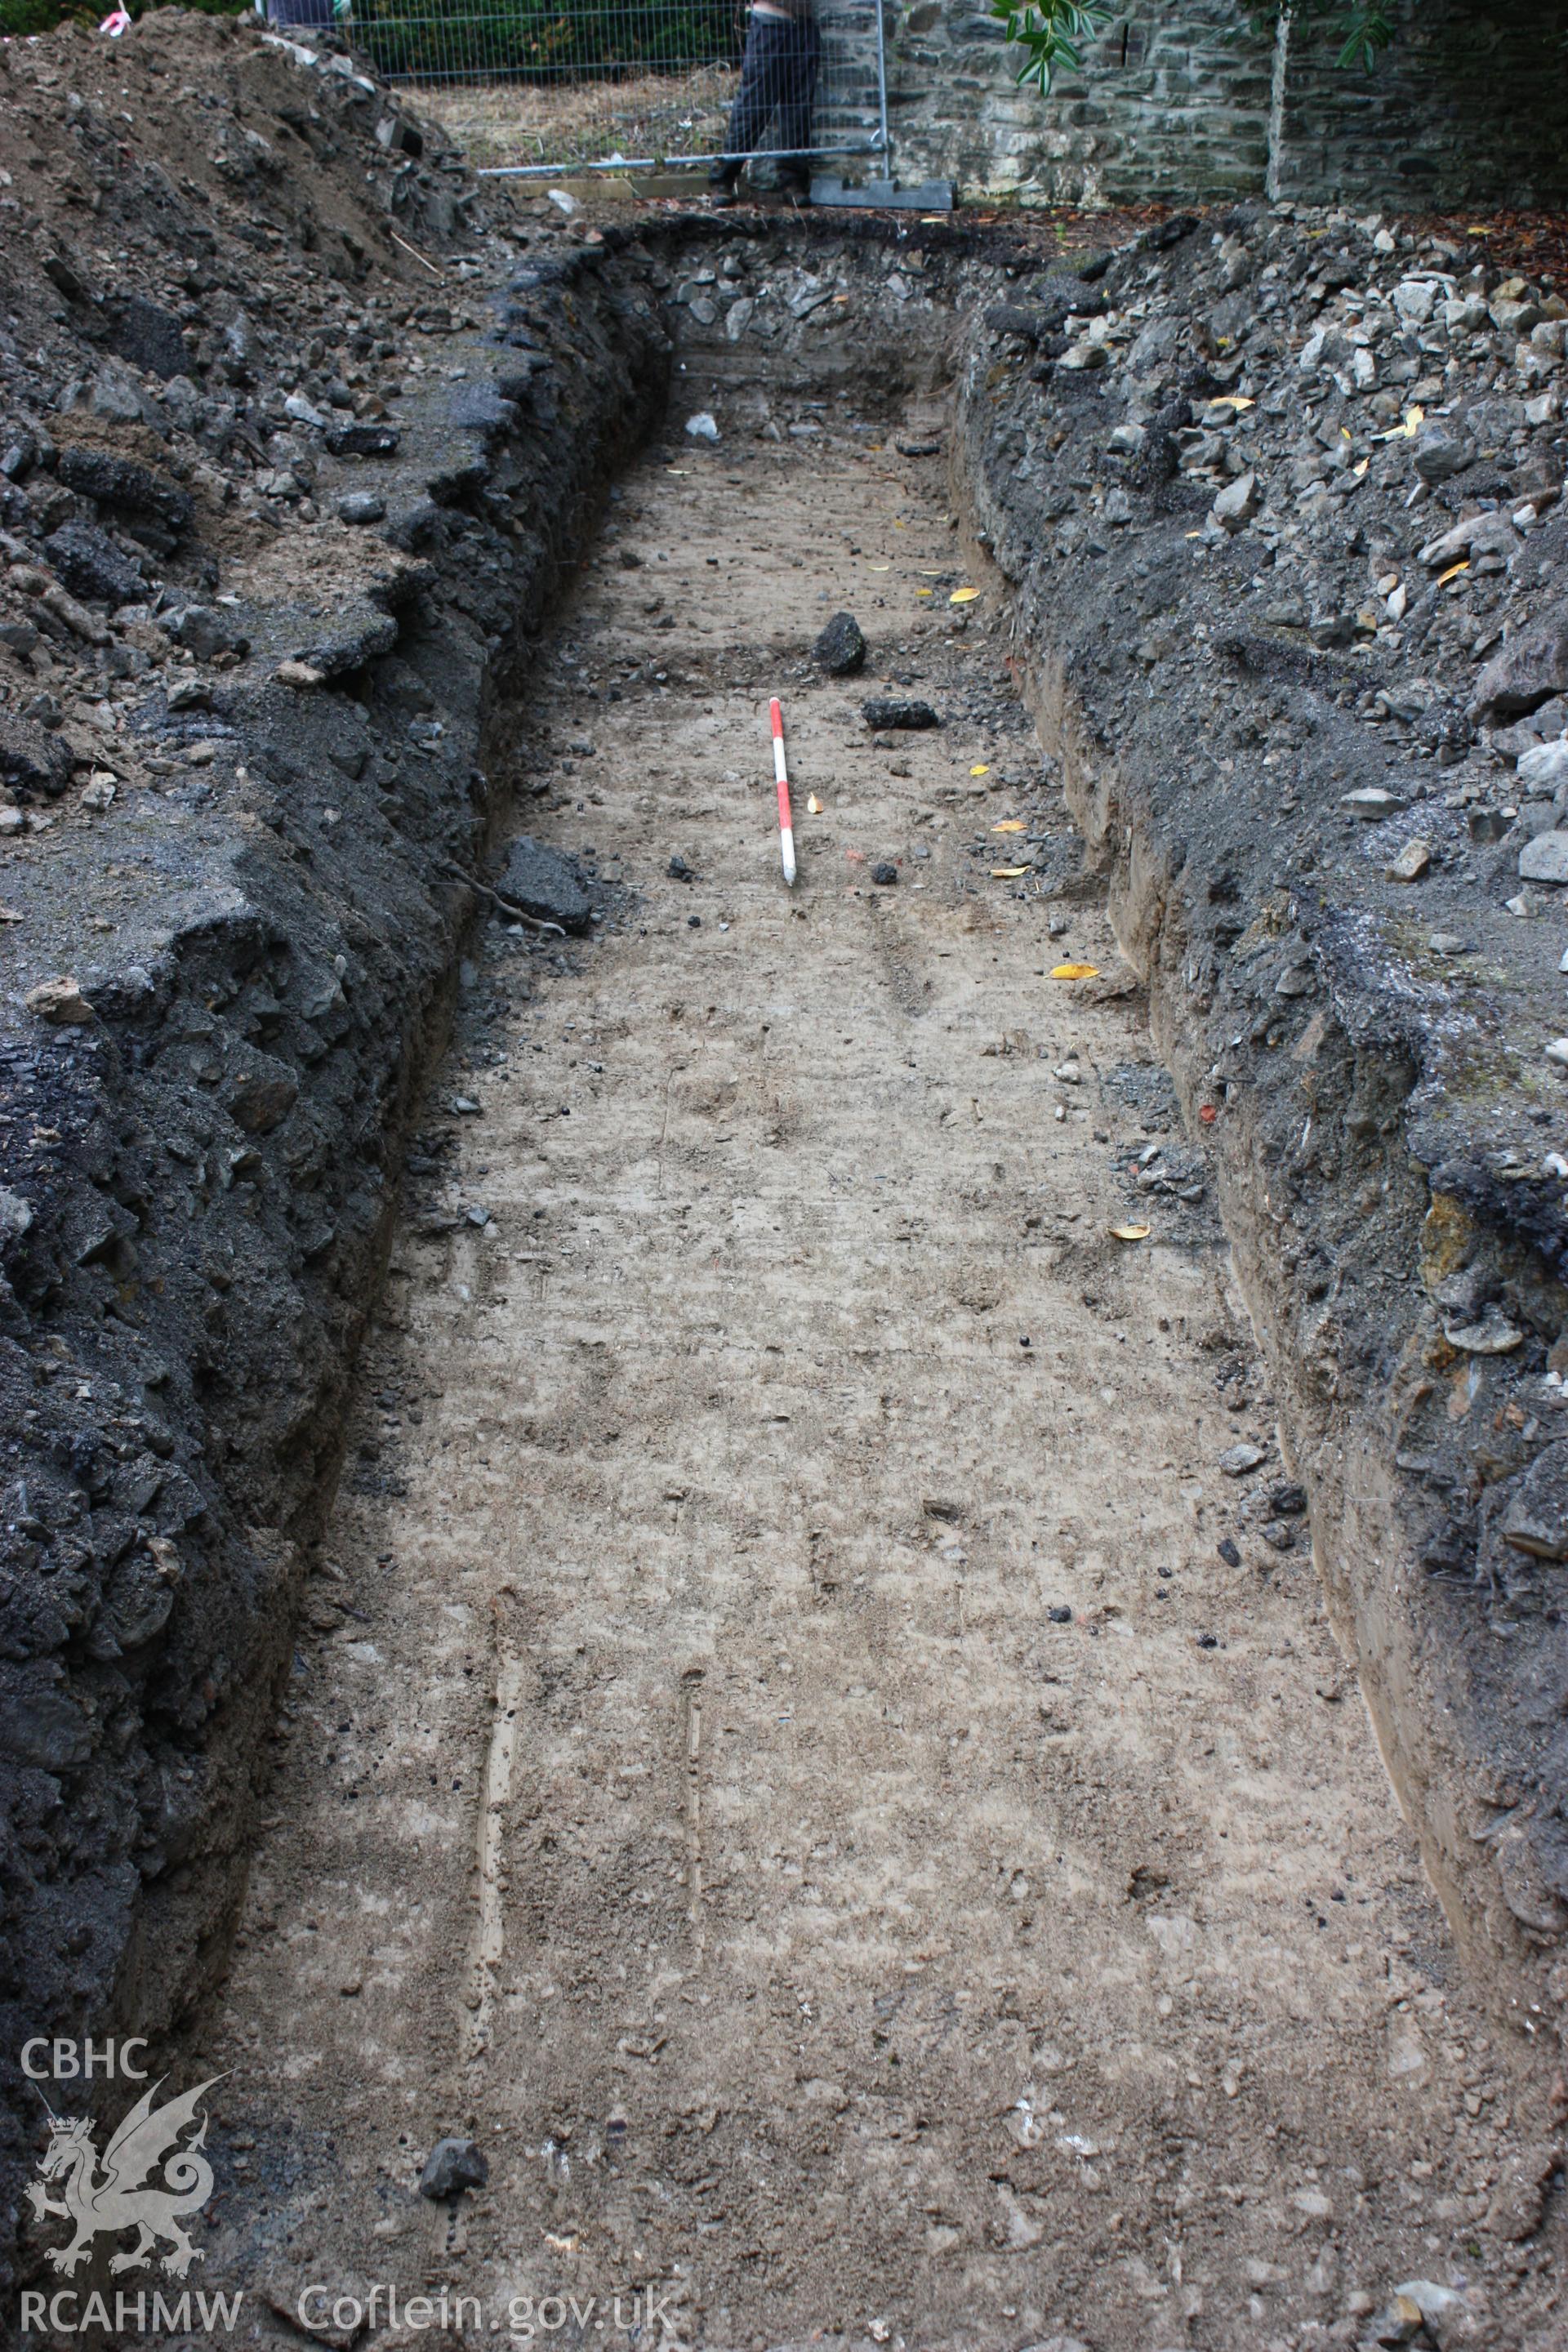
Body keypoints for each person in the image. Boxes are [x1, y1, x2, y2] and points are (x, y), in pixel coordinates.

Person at [709, 0, 819, 208]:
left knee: (799, 107)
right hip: (770, 20)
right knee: (754, 105)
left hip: (804, 24)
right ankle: (722, 178)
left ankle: (793, 181)